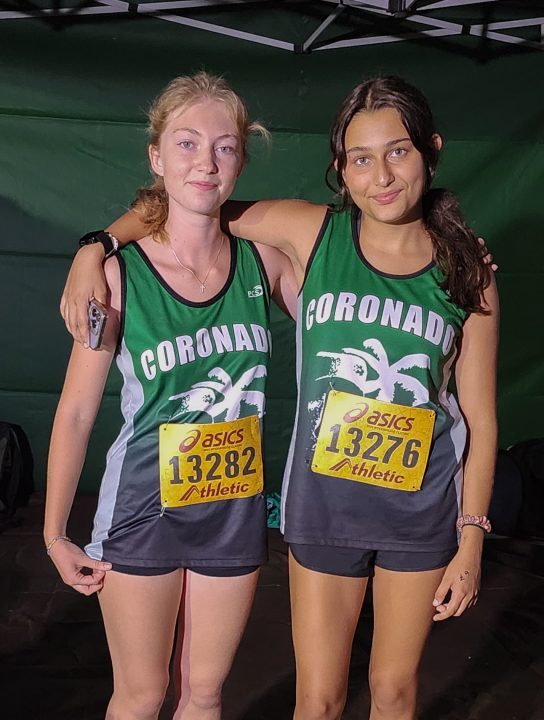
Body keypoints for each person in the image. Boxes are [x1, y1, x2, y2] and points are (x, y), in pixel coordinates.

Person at [60, 76, 498, 720]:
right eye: (360, 158)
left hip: (420, 509)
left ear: (430, 151)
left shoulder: (466, 271)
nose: (380, 175)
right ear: (340, 169)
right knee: (311, 699)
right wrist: (96, 246)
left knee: (392, 691)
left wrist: (473, 535)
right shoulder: (312, 234)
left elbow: (482, 420)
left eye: (398, 152)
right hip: (321, 509)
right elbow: (195, 201)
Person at [44, 72, 296, 720]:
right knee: (142, 694)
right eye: (186, 144)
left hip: (233, 509)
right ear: (155, 157)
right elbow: (76, 412)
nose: (205, 162)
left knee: (204, 695)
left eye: (224, 147)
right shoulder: (115, 275)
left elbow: (346, 312)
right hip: (142, 510)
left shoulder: (265, 263)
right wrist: (53, 532)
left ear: (241, 161)